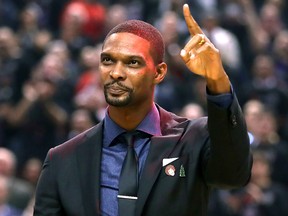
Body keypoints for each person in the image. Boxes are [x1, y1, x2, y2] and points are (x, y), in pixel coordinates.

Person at [33, 4, 252, 216]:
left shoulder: (192, 139)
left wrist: (217, 80)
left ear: (159, 73)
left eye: (132, 63)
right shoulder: (61, 160)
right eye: (108, 60)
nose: (116, 73)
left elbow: (233, 176)